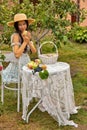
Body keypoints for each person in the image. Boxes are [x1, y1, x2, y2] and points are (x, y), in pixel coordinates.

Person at [2, 13, 36, 83]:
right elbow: (17, 55)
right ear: (16, 26)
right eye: (20, 25)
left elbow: (34, 51)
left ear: (27, 24)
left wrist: (28, 41)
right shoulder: (16, 36)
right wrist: (25, 42)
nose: (22, 27)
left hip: (27, 63)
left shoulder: (27, 34)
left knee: (35, 78)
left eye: (24, 24)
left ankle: (27, 93)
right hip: (18, 65)